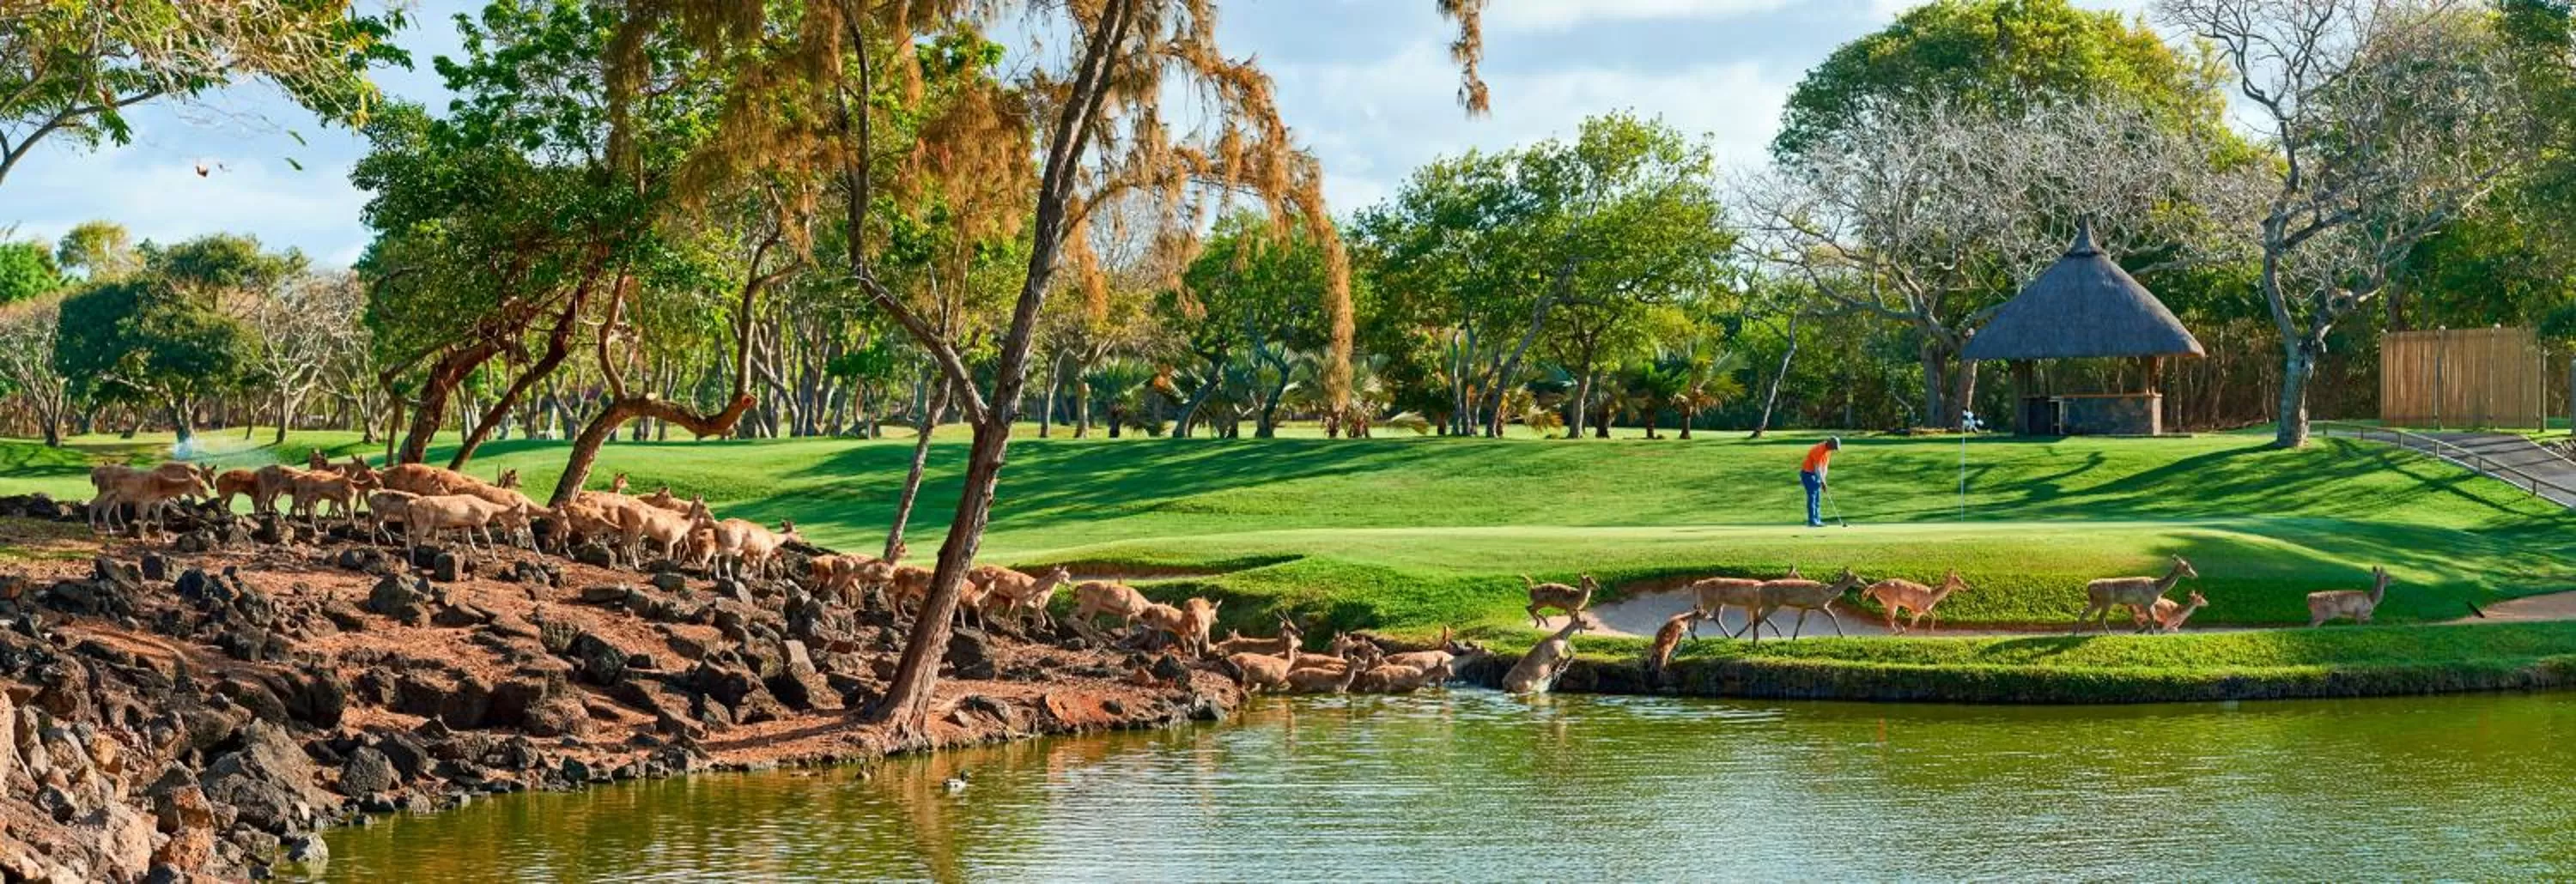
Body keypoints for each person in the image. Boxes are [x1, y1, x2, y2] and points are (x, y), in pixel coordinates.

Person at [1800, 437, 1841, 528]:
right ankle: (1812, 521)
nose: (1834, 449)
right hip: (1808, 473)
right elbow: (1817, 468)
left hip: (1815, 474)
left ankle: (1817, 520)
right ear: (1830, 444)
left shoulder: (1828, 451)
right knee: (1812, 497)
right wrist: (1822, 481)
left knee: (1817, 498)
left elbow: (1825, 466)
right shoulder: (1819, 450)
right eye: (1834, 447)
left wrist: (1824, 480)